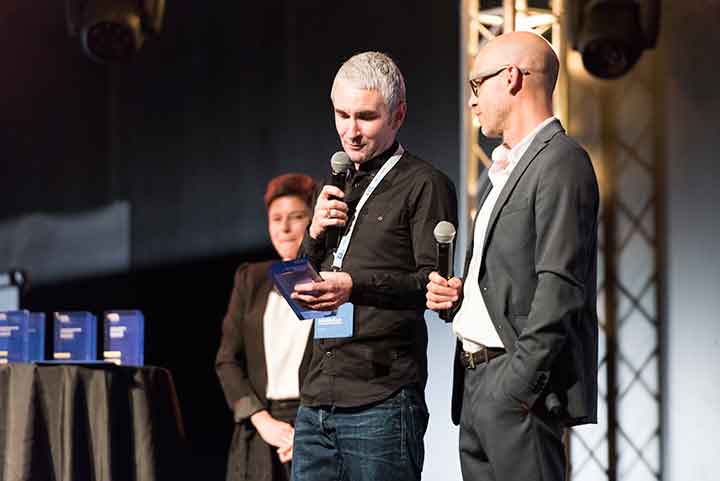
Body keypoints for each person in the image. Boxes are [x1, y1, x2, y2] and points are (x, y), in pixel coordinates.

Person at [426, 32, 599, 481]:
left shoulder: (561, 161)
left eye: (476, 84)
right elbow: (505, 277)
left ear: (511, 78)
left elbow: (561, 285)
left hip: (514, 385)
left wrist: (519, 385)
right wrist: (461, 296)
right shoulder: (500, 171)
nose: (472, 100)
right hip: (475, 382)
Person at [289, 51, 458, 481]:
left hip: (381, 397)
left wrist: (354, 285)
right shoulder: (334, 184)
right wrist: (313, 233)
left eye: (365, 117)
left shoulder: (425, 184)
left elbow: (429, 285)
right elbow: (301, 285)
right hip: (316, 398)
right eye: (341, 115)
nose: (351, 131)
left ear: (398, 116)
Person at [216, 173, 317, 481]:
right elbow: (227, 361)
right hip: (260, 429)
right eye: (276, 219)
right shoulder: (251, 279)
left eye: (296, 217)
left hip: (317, 428)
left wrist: (309, 432)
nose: (284, 228)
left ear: (314, 220)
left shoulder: (332, 282)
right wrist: (262, 421)